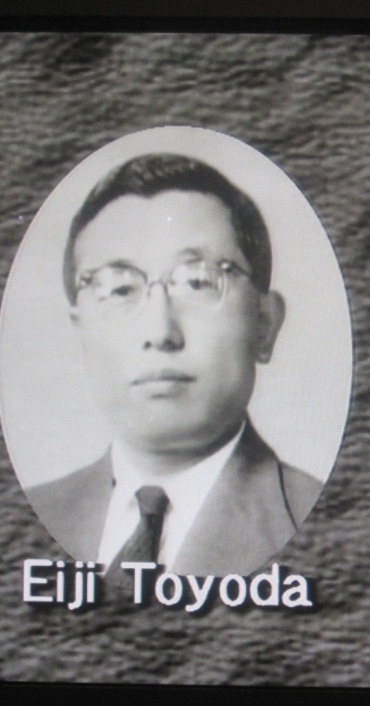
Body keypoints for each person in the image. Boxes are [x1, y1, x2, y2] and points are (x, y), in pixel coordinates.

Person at [27, 153, 322, 576]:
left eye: (198, 283)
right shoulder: (32, 513)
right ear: (79, 331)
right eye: (119, 288)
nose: (161, 332)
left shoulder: (317, 511)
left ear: (264, 324)